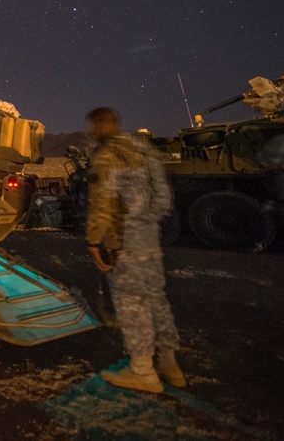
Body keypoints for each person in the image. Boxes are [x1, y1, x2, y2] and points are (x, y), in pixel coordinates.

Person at [85, 106, 185, 394]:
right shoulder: (142, 150)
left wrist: (93, 241)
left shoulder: (107, 156)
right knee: (156, 299)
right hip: (148, 238)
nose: (92, 132)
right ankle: (169, 363)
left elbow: (102, 204)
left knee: (131, 304)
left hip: (124, 240)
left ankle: (142, 370)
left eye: (93, 126)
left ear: (102, 124)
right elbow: (163, 196)